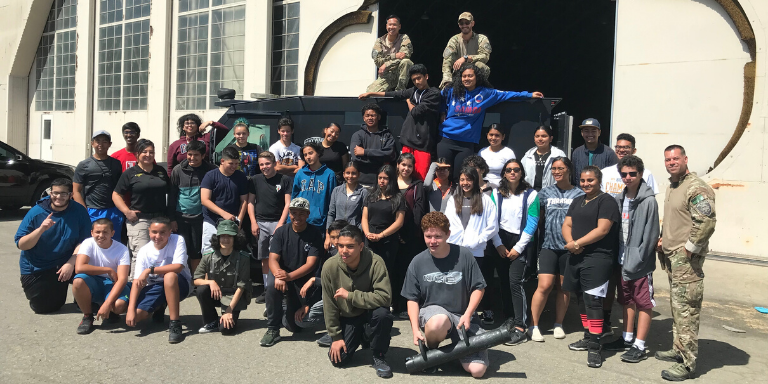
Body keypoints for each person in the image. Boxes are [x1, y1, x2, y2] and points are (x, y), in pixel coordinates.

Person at [402, 211, 489, 378]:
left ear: (448, 234)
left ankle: (452, 353)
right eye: (428, 236)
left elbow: (479, 287)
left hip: (464, 317)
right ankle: (433, 350)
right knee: (438, 322)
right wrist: (414, 329)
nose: (432, 241)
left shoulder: (464, 255)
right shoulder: (417, 261)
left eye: (438, 236)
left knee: (478, 371)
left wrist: (469, 313)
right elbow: (412, 299)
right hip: (434, 313)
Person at [656, 145, 716, 381]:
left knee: (687, 311)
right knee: (678, 308)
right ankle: (678, 348)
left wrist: (689, 249)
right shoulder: (674, 185)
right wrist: (664, 238)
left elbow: (706, 221)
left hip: (685, 261)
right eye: (668, 159)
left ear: (685, 159)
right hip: (672, 257)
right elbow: (676, 218)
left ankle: (688, 364)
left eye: (675, 158)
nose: (671, 162)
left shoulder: (696, 187)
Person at [600, 155, 659, 363]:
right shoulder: (620, 198)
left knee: (644, 302)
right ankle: (626, 337)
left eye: (632, 174)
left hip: (639, 262)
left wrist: (639, 258)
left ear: (640, 174)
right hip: (622, 259)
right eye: (624, 174)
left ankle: (640, 345)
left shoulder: (648, 201)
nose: (628, 177)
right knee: (626, 300)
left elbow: (651, 234)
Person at [438, 64, 543, 180]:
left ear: (477, 77)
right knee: (442, 176)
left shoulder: (485, 94)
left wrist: (528, 95)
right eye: (464, 76)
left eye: (470, 76)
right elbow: (440, 98)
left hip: (466, 143)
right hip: (446, 139)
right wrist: (443, 111)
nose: (467, 79)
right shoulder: (452, 91)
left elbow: (506, 95)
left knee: (460, 178)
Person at [562, 166, 620, 368]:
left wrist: (578, 244)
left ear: (599, 181)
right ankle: (588, 336)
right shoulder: (578, 200)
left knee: (593, 300)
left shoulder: (607, 201)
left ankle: (596, 345)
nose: (586, 184)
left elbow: (603, 229)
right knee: (580, 298)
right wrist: (571, 243)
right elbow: (566, 225)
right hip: (576, 256)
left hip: (598, 258)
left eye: (591, 181)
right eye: (583, 181)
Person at [322, 225, 394, 378]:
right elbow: (329, 305)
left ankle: (378, 355)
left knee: (383, 315)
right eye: (340, 246)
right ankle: (363, 335)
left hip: (370, 312)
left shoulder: (376, 262)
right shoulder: (330, 266)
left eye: (350, 246)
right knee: (339, 360)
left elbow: (385, 297)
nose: (343, 251)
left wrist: (350, 296)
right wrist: (336, 337)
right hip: (349, 316)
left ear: (361, 246)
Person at [15, 178, 92, 313]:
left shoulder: (79, 211)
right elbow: (22, 245)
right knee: (44, 308)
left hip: (67, 261)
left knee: (95, 260)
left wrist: (70, 263)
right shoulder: (36, 212)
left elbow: (85, 241)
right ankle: (57, 285)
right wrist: (40, 230)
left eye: (63, 193)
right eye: (55, 193)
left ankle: (82, 297)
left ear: (70, 195)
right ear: (50, 193)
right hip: (38, 266)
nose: (58, 197)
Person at [529, 157, 584, 342]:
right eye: (553, 168)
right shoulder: (544, 193)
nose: (556, 171)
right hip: (547, 246)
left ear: (569, 170)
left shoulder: (579, 194)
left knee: (564, 288)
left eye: (560, 168)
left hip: (569, 247)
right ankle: (534, 325)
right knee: (544, 285)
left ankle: (558, 324)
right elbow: (537, 219)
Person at [360, 64, 441, 180]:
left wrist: (408, 101)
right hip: (407, 140)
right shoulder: (413, 90)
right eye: (414, 80)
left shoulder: (434, 93)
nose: (417, 82)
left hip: (423, 143)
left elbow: (416, 112)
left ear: (426, 76)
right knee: (403, 175)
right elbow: (394, 94)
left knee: (420, 177)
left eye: (419, 78)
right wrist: (371, 94)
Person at [260, 197, 322, 347]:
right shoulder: (281, 232)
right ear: (289, 213)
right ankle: (273, 329)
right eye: (294, 213)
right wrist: (280, 276)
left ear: (308, 214)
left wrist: (289, 277)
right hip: (282, 275)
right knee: (272, 286)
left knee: (294, 326)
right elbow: (273, 259)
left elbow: (311, 264)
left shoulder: (315, 233)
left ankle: (280, 308)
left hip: (302, 280)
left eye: (301, 213)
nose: (297, 217)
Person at [491, 159, 539, 345]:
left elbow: (533, 222)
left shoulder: (531, 194)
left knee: (515, 283)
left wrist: (518, 248)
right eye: (509, 170)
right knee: (503, 282)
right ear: (504, 173)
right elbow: (492, 221)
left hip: (521, 242)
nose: (512, 172)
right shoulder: (496, 193)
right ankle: (509, 318)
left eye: (516, 170)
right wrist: (498, 244)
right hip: (500, 241)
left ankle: (520, 326)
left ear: (521, 173)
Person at [125, 217, 192, 343]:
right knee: (138, 316)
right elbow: (137, 282)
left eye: (163, 232)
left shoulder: (177, 240)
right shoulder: (144, 251)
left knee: (169, 276)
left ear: (170, 232)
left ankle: (175, 323)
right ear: (149, 231)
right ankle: (159, 305)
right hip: (156, 286)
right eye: (154, 232)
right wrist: (130, 310)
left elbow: (178, 267)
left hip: (180, 284)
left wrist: (149, 270)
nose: (158, 236)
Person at [112, 139, 171, 276]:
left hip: (160, 220)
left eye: (151, 152)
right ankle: (135, 286)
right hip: (139, 221)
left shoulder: (160, 171)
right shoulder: (130, 173)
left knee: (158, 254)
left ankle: (154, 287)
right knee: (140, 255)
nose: (148, 155)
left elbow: (170, 193)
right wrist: (127, 212)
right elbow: (116, 194)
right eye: (145, 152)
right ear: (138, 154)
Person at [72, 218, 131, 334]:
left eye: (105, 232)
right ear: (92, 233)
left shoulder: (122, 249)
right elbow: (79, 268)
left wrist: (107, 304)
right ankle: (87, 316)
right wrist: (108, 270)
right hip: (94, 280)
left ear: (112, 233)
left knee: (119, 306)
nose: (101, 235)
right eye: (97, 232)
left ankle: (111, 312)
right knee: (78, 281)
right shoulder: (88, 243)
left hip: (113, 283)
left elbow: (122, 279)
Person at [296, 219, 349, 347]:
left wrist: (315, 280)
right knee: (302, 321)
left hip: (348, 296)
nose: (336, 241)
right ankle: (333, 321)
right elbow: (322, 280)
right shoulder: (328, 253)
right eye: (332, 237)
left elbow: (343, 283)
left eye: (339, 237)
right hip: (329, 295)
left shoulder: (350, 254)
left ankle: (339, 331)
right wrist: (308, 304)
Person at [193, 220, 251, 335]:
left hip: (233, 296)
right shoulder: (208, 256)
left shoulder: (243, 258)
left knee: (226, 330)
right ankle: (211, 321)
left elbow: (242, 285)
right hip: (215, 294)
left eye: (229, 236)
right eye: (222, 236)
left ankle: (226, 317)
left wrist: (229, 310)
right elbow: (196, 280)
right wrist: (210, 282)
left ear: (235, 238)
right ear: (217, 238)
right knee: (201, 289)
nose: (225, 239)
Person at [247, 151, 291, 303]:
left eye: (267, 163)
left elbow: (288, 204)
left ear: (274, 163)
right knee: (264, 257)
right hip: (261, 223)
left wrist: (281, 223)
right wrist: (253, 221)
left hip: (279, 223)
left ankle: (279, 287)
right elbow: (250, 202)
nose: (264, 167)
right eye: (261, 164)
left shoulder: (284, 180)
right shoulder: (255, 180)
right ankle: (267, 289)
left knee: (278, 257)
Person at [361, 165, 405, 312]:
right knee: (368, 270)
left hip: (387, 240)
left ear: (391, 180)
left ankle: (386, 303)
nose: (382, 181)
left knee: (386, 272)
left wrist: (381, 235)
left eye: (385, 178)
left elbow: (399, 222)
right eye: (380, 178)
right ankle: (369, 301)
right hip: (370, 238)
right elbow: (365, 218)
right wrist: (367, 233)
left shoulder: (398, 198)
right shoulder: (370, 196)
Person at [169, 140, 216, 275]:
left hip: (201, 218)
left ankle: (196, 280)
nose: (192, 158)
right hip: (181, 218)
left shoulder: (211, 170)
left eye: (196, 155)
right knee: (182, 251)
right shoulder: (178, 170)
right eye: (189, 154)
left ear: (202, 156)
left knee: (197, 251)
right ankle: (184, 279)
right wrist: (172, 219)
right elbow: (172, 196)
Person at [73, 130, 124, 240]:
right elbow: (76, 191)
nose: (101, 144)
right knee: (93, 242)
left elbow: (119, 188)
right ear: (92, 143)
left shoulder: (116, 163)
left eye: (105, 141)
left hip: (113, 210)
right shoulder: (84, 165)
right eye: (98, 141)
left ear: (110, 144)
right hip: (92, 210)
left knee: (114, 243)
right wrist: (84, 211)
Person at [394, 153, 427, 318]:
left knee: (408, 271)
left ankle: (406, 306)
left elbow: (419, 210)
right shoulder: (390, 182)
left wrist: (413, 233)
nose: (406, 168)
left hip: (410, 235)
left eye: (409, 166)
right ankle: (392, 304)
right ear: (398, 165)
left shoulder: (417, 185)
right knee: (392, 270)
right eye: (403, 165)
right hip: (391, 234)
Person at [200, 146, 248, 255]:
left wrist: (239, 221)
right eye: (231, 163)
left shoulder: (241, 177)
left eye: (236, 163)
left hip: (232, 223)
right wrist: (224, 214)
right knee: (209, 253)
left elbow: (244, 201)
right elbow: (204, 200)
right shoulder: (210, 176)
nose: (234, 166)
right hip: (211, 221)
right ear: (222, 161)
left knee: (232, 253)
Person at [440, 12, 492, 89]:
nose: (464, 25)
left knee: (481, 65)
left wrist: (466, 58)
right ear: (459, 25)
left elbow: (485, 56)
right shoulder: (454, 40)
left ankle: (480, 88)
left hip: (475, 73)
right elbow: (447, 61)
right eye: (461, 23)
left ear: (472, 23)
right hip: (459, 74)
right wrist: (447, 80)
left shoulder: (481, 39)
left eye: (467, 23)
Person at [291, 142, 337, 228]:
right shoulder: (300, 173)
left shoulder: (329, 174)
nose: (308, 157)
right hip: (300, 220)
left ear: (318, 153)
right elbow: (294, 197)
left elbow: (332, 200)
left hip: (319, 222)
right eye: (305, 155)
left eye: (311, 153)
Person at [349, 104, 396, 187]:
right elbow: (356, 158)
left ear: (379, 117)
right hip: (361, 183)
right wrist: (380, 158)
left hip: (381, 183)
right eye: (367, 115)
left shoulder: (387, 135)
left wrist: (365, 152)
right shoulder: (357, 135)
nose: (370, 118)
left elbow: (390, 154)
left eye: (373, 115)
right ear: (364, 118)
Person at [365, 14, 413, 93]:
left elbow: (405, 56)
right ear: (386, 26)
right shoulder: (379, 41)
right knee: (370, 92)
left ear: (399, 27)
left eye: (394, 25)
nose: (392, 27)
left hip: (400, 72)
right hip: (386, 74)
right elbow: (378, 61)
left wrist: (386, 64)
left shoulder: (404, 38)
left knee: (406, 62)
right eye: (390, 25)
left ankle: (399, 92)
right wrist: (394, 55)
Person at [601, 133, 659, 198]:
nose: (621, 150)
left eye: (626, 147)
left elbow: (650, 198)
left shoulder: (645, 173)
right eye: (618, 147)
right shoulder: (605, 173)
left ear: (634, 151)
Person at [326, 161, 368, 246]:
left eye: (353, 173)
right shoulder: (337, 190)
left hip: (353, 235)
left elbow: (364, 216)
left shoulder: (363, 192)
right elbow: (331, 214)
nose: (350, 176)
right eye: (348, 173)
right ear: (344, 174)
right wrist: (328, 235)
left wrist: (358, 232)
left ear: (359, 175)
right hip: (337, 234)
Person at [570, 118, 618, 186]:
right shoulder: (577, 153)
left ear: (599, 132)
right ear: (582, 133)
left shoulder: (609, 153)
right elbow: (574, 178)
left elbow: (614, 177)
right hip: (581, 193)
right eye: (586, 131)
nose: (590, 134)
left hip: (601, 194)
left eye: (593, 131)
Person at [521, 126, 568, 191]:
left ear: (550, 138)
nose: (540, 139)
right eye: (537, 136)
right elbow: (521, 175)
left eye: (544, 136)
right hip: (532, 194)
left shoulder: (558, 154)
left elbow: (565, 175)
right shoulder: (528, 155)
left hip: (552, 193)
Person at [478, 124, 516, 189]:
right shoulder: (482, 152)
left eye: (497, 135)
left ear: (503, 137)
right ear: (487, 135)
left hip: (501, 187)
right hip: (483, 187)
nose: (493, 138)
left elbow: (513, 173)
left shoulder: (508, 153)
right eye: (491, 135)